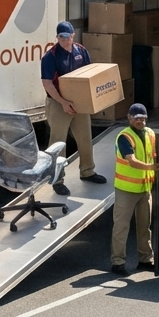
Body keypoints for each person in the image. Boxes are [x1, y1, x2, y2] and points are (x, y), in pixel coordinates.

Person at [40, 20, 108, 195]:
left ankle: (87, 171)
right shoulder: (51, 56)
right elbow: (47, 83)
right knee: (58, 142)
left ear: (73, 35)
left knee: (85, 137)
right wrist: (63, 102)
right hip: (58, 103)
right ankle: (57, 178)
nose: (65, 41)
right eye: (61, 38)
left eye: (67, 37)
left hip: (79, 103)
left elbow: (88, 75)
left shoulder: (81, 51)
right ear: (57, 37)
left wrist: (91, 100)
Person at [111, 103, 159, 275]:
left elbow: (154, 153)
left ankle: (145, 259)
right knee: (121, 226)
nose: (140, 121)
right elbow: (131, 160)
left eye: (143, 118)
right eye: (137, 118)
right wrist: (151, 168)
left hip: (144, 188)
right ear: (129, 118)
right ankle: (117, 262)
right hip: (126, 189)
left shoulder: (151, 134)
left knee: (145, 226)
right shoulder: (125, 137)